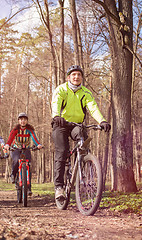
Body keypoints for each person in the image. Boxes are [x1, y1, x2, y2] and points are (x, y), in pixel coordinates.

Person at [51, 65, 111, 200]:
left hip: (76, 125)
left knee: (83, 137)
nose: (76, 77)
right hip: (60, 124)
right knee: (62, 151)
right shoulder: (61, 89)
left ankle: (83, 163)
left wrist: (102, 121)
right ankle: (59, 187)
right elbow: (56, 103)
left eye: (79, 75)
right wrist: (56, 116)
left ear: (82, 78)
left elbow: (93, 108)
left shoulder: (85, 92)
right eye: (73, 75)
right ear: (68, 77)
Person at [3, 112, 43, 196]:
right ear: (18, 121)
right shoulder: (15, 130)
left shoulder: (30, 130)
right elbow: (10, 138)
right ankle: (13, 175)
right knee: (16, 161)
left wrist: (38, 144)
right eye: (21, 119)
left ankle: (29, 188)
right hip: (16, 149)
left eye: (24, 119)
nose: (23, 121)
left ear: (27, 121)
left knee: (28, 164)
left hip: (26, 149)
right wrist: (7, 145)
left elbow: (34, 137)